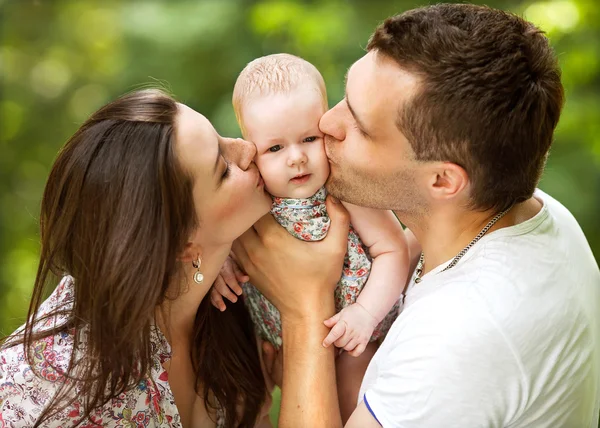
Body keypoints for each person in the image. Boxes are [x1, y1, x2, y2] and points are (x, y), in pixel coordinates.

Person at [232, 4, 600, 428]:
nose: (328, 123)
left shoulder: (458, 339)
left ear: (443, 181)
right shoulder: (521, 206)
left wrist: (302, 312)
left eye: (361, 124)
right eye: (343, 97)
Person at [0, 89, 273, 427]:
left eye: (220, 135)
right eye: (223, 171)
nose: (248, 149)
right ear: (181, 247)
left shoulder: (242, 287)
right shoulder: (51, 390)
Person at [210, 53, 409, 421]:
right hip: (280, 337)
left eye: (308, 138)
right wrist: (221, 262)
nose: (297, 158)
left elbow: (392, 250)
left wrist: (364, 314)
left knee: (353, 393)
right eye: (275, 148)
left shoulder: (344, 189)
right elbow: (220, 235)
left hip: (354, 332)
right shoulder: (252, 196)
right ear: (251, 149)